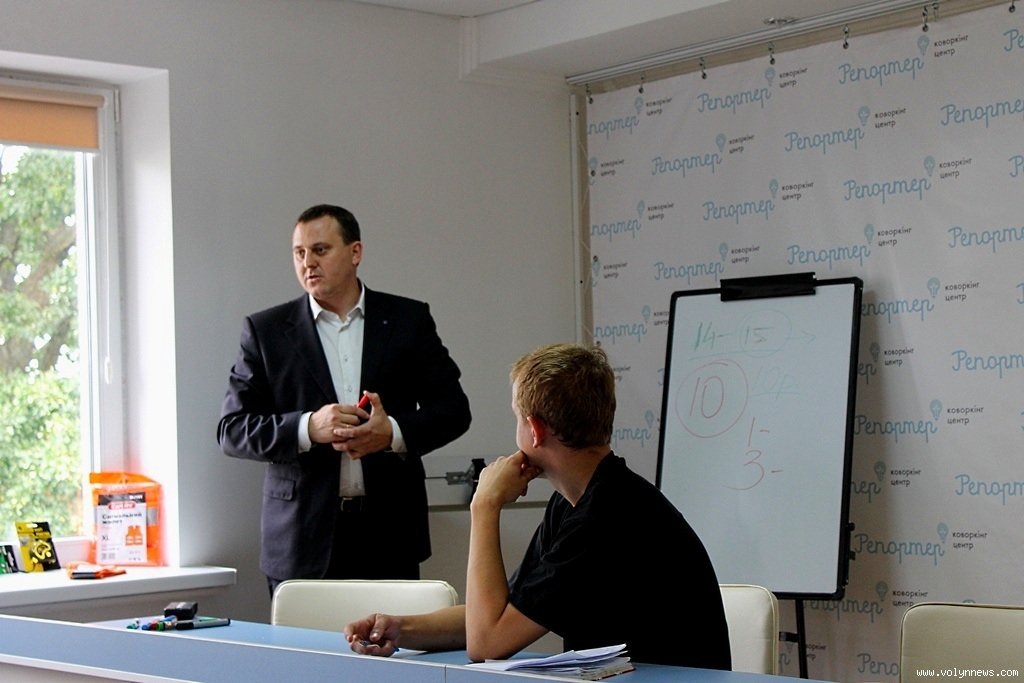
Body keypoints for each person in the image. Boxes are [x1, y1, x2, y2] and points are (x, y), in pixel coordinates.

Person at [344, 343, 731, 669]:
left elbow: (486, 643)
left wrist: (485, 504)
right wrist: (400, 628)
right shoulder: (575, 502)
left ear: (535, 429)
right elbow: (498, 614)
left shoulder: (605, 516)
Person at [217, 204, 471, 594]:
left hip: (390, 534)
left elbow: (454, 410)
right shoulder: (266, 331)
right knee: (304, 639)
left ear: (355, 252)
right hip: (301, 540)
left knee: (394, 636)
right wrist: (307, 428)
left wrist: (392, 434)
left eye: (320, 250)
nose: (308, 263)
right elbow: (232, 430)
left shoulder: (408, 320)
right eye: (299, 253)